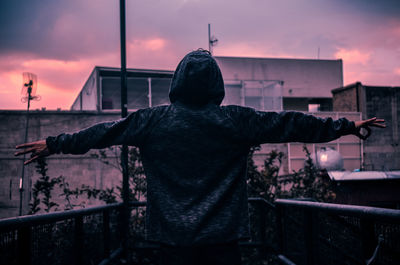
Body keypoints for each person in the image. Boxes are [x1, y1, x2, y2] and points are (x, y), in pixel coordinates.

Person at [15, 49, 385, 265]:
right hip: (223, 243)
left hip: (169, 242)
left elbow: (101, 134)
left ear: (177, 82)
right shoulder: (235, 121)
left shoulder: (151, 121)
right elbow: (290, 124)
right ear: (216, 85)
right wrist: (345, 127)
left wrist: (55, 142)